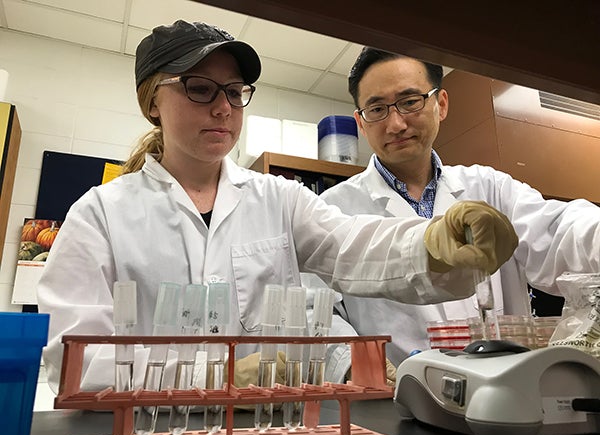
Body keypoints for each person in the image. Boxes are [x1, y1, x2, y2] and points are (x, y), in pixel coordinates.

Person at [36, 21, 517, 394]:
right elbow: (71, 360)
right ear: (152, 102)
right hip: (146, 434)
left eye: (234, 92)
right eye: (200, 88)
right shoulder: (100, 213)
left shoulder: (278, 198)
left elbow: (352, 245)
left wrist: (433, 240)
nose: (223, 108)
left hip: (267, 429)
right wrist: (209, 376)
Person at [317, 47, 600, 373]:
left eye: (410, 102)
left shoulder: (490, 187)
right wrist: (359, 368)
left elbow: (559, 229)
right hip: (396, 403)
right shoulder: (333, 207)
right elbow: (318, 313)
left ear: (441, 104)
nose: (395, 124)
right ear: (361, 123)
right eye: (377, 109)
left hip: (504, 392)